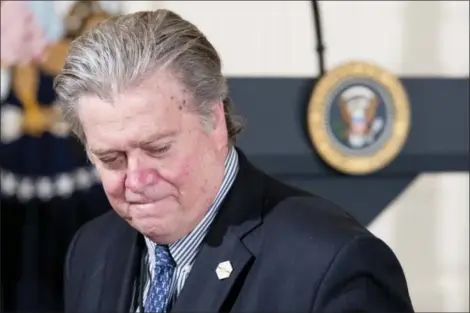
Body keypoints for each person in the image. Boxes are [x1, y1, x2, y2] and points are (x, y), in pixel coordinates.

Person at [54, 9, 414, 313]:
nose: (136, 180)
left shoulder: (334, 264)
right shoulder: (91, 249)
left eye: (158, 149)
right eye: (112, 158)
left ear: (216, 123)